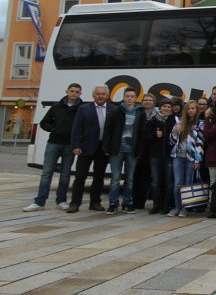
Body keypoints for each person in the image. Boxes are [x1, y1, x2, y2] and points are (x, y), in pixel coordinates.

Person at [24, 83, 83, 212]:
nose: (74, 93)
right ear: (67, 91)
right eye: (72, 91)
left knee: (65, 174)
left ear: (80, 94)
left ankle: (61, 201)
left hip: (69, 145)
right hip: (54, 143)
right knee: (46, 173)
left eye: (77, 92)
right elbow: (44, 122)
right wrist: (53, 129)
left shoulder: (81, 108)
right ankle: (39, 202)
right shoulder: (57, 107)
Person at [67, 85, 120, 213]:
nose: (100, 96)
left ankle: (95, 202)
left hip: (103, 148)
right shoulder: (84, 109)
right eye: (98, 94)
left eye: (103, 94)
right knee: (80, 177)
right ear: (93, 96)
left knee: (99, 177)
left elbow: (115, 130)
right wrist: (76, 145)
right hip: (85, 148)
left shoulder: (113, 109)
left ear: (107, 96)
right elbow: (76, 128)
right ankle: (75, 203)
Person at [104, 87, 146, 214]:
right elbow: (108, 130)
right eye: (127, 96)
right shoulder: (116, 111)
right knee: (115, 178)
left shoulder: (140, 112)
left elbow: (142, 133)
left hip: (132, 151)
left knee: (129, 179)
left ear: (135, 98)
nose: (129, 98)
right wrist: (107, 148)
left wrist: (139, 151)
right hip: (117, 150)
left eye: (132, 96)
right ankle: (113, 203)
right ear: (123, 97)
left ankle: (127, 203)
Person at [169, 100, 204, 218]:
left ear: (197, 110)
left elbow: (200, 143)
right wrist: (174, 132)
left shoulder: (199, 124)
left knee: (187, 183)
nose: (191, 111)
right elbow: (172, 142)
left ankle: (185, 208)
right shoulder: (179, 122)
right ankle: (177, 207)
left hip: (190, 157)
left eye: (193, 108)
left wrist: (197, 160)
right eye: (189, 108)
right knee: (177, 184)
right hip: (178, 156)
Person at [146, 98, 176, 214]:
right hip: (155, 155)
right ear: (160, 107)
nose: (167, 109)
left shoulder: (174, 121)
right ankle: (156, 204)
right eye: (165, 106)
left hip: (169, 155)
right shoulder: (152, 121)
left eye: (169, 107)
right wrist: (155, 135)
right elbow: (147, 138)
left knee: (169, 181)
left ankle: (166, 205)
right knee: (156, 180)